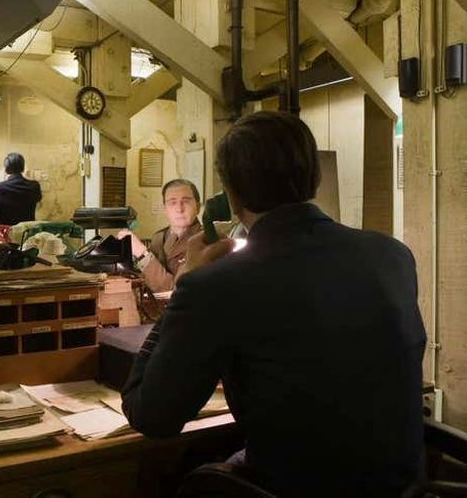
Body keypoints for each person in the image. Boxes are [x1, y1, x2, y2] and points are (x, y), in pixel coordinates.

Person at [122, 111, 426, 496]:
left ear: (229, 195)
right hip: (401, 485)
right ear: (315, 177)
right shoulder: (393, 255)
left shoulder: (217, 284)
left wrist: (186, 285)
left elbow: (150, 415)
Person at [117, 179, 203, 293]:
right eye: (172, 202)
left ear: (198, 207)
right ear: (165, 209)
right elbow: (148, 282)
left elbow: (177, 291)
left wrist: (142, 254)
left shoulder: (208, 241)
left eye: (186, 201)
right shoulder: (159, 238)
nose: (179, 209)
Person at [0, 152, 41, 226]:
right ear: (22, 168)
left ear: (6, 169)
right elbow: (38, 199)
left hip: (7, 232)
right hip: (27, 232)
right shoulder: (34, 186)